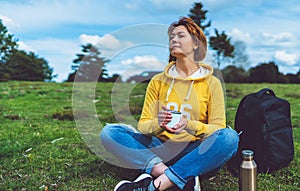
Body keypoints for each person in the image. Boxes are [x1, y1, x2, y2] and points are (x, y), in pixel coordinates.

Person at [100, 17, 239, 191]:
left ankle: (155, 185)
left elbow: (217, 128)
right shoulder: (158, 81)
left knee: (230, 138)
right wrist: (159, 124)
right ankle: (175, 176)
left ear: (196, 44)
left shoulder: (212, 83)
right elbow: (143, 125)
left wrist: (188, 125)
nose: (174, 40)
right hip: (159, 148)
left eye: (181, 35)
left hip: (194, 150)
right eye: (172, 37)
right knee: (110, 133)